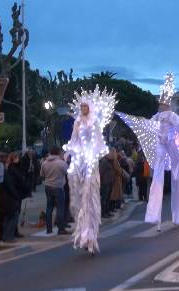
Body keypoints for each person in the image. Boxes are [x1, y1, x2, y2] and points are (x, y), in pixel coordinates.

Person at [117, 73, 179, 226]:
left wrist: (177, 131)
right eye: (160, 104)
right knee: (157, 175)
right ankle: (153, 214)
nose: (161, 106)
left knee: (176, 175)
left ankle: (177, 215)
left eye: (163, 104)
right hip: (161, 145)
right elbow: (148, 125)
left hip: (171, 144)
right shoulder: (156, 116)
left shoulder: (172, 115)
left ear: (167, 105)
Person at [64, 85, 116, 254]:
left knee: (89, 195)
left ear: (90, 108)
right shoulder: (77, 122)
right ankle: (83, 233)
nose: (83, 108)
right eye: (81, 107)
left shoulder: (94, 123)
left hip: (90, 160)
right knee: (79, 196)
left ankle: (91, 235)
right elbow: (73, 140)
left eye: (85, 106)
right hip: (80, 160)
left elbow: (99, 144)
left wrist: (93, 154)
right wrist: (69, 152)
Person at [40, 146, 69, 235]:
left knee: (49, 207)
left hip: (48, 186)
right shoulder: (61, 163)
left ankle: (49, 229)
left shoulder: (44, 163)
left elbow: (42, 175)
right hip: (58, 187)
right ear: (58, 153)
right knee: (60, 208)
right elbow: (67, 172)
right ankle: (61, 229)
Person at [99, 149, 115, 218]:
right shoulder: (104, 162)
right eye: (111, 154)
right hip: (105, 183)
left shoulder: (110, 161)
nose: (113, 155)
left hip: (109, 181)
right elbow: (100, 172)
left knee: (108, 198)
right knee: (104, 198)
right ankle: (103, 213)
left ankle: (107, 211)